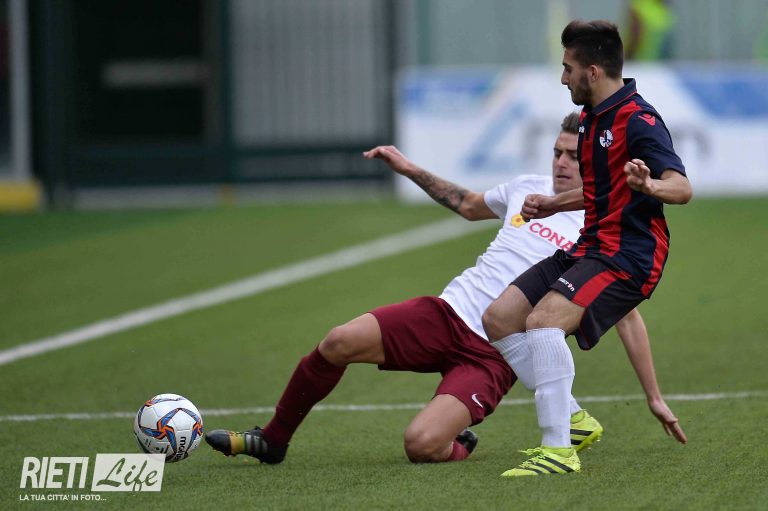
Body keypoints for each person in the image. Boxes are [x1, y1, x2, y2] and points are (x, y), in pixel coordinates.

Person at [204, 112, 686, 465]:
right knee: (338, 341)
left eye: (573, 156)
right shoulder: (527, 188)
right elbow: (468, 204)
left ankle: (459, 443)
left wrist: (653, 396)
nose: (561, 162)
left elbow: (627, 314)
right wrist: (410, 169)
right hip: (446, 312)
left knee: (421, 445)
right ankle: (274, 439)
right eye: (557, 152)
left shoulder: (604, 224)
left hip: (493, 356)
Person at [482, 20, 692, 477]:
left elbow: (682, 188)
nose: (563, 78)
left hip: (629, 257)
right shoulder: (593, 118)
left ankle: (558, 449)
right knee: (499, 318)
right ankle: (574, 421)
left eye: (567, 68)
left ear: (592, 71)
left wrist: (650, 185)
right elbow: (600, 189)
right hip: (591, 246)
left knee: (542, 322)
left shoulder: (640, 120)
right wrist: (552, 204)